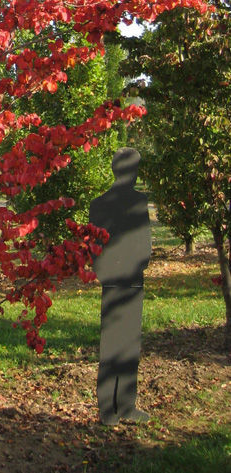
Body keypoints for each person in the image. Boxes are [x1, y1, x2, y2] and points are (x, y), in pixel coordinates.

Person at [88, 147, 152, 425]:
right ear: (133, 171)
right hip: (128, 279)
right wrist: (135, 268)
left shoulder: (98, 204)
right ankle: (119, 407)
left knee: (115, 344)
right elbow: (144, 244)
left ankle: (116, 408)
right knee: (124, 345)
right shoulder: (137, 203)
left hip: (114, 280)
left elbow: (94, 248)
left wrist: (104, 272)